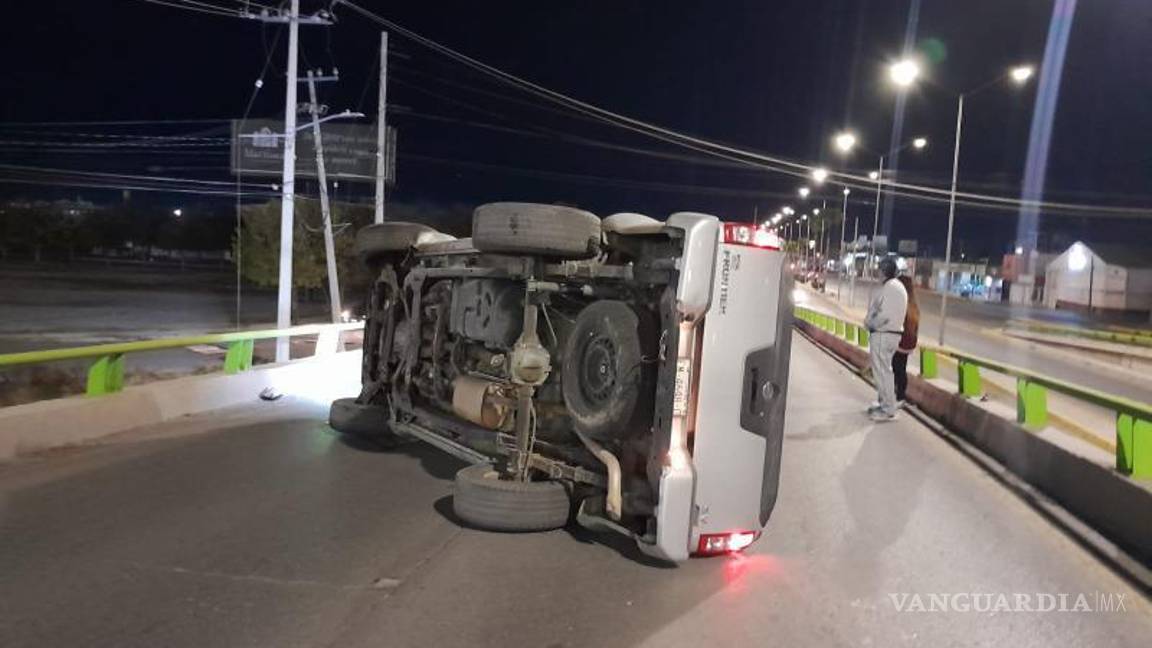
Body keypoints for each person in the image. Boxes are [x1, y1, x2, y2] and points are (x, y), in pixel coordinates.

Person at [863, 258, 908, 422]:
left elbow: (884, 315)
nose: (877, 273)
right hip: (890, 334)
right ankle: (884, 404)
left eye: (879, 270)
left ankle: (888, 409)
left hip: (884, 333)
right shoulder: (896, 287)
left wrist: (870, 324)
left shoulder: (890, 288)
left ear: (884, 271)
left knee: (883, 373)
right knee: (884, 372)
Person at [892, 275, 919, 408]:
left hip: (899, 342)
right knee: (900, 367)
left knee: (896, 368)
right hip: (909, 343)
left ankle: (898, 396)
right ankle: (899, 395)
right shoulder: (914, 305)